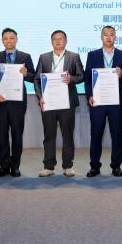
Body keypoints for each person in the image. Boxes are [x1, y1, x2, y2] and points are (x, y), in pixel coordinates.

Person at [0, 28, 35, 178]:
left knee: (17, 135)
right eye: (6, 38)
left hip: (18, 103)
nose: (9, 41)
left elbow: (34, 77)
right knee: (2, 135)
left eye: (11, 38)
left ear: (16, 39)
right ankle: (4, 166)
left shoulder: (25, 56)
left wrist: (26, 74)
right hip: (1, 102)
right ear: (2, 40)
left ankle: (15, 167)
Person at [35, 30, 85, 177]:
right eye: (55, 39)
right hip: (48, 103)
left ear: (66, 41)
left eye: (61, 39)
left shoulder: (74, 57)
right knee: (49, 135)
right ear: (51, 41)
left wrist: (71, 79)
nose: (58, 41)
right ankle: (49, 166)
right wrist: (40, 97)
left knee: (67, 135)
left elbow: (81, 76)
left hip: (67, 103)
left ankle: (68, 166)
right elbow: (37, 79)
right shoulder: (44, 57)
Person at [83, 25, 122, 177]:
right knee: (96, 134)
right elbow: (87, 78)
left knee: (117, 134)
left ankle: (116, 166)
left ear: (115, 37)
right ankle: (94, 166)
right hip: (98, 101)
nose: (109, 37)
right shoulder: (92, 55)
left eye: (111, 34)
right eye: (106, 35)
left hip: (116, 102)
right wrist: (89, 95)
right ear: (101, 37)